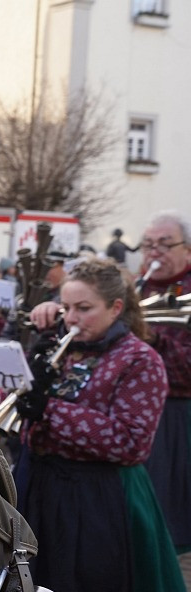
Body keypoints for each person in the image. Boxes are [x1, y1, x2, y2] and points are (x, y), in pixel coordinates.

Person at [17, 258, 186, 592]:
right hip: (45, 490)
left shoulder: (139, 360)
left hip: (101, 501)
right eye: (66, 307)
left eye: (84, 309)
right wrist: (26, 373)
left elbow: (128, 441)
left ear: (115, 308)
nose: (71, 318)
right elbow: (18, 411)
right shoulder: (61, 347)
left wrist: (49, 411)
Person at [137, 211, 191, 553]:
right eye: (148, 244)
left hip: (176, 415)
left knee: (169, 521)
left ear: (187, 250)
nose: (155, 251)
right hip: (137, 412)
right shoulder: (132, 288)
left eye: (165, 244)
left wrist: (152, 338)